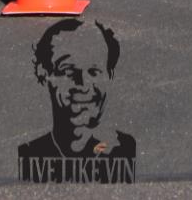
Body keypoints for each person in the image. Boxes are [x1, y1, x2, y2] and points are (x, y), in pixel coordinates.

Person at [18, 18, 136, 183]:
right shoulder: (28, 155)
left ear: (110, 75)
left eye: (94, 72)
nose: (83, 85)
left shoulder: (127, 150)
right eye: (68, 71)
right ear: (43, 74)